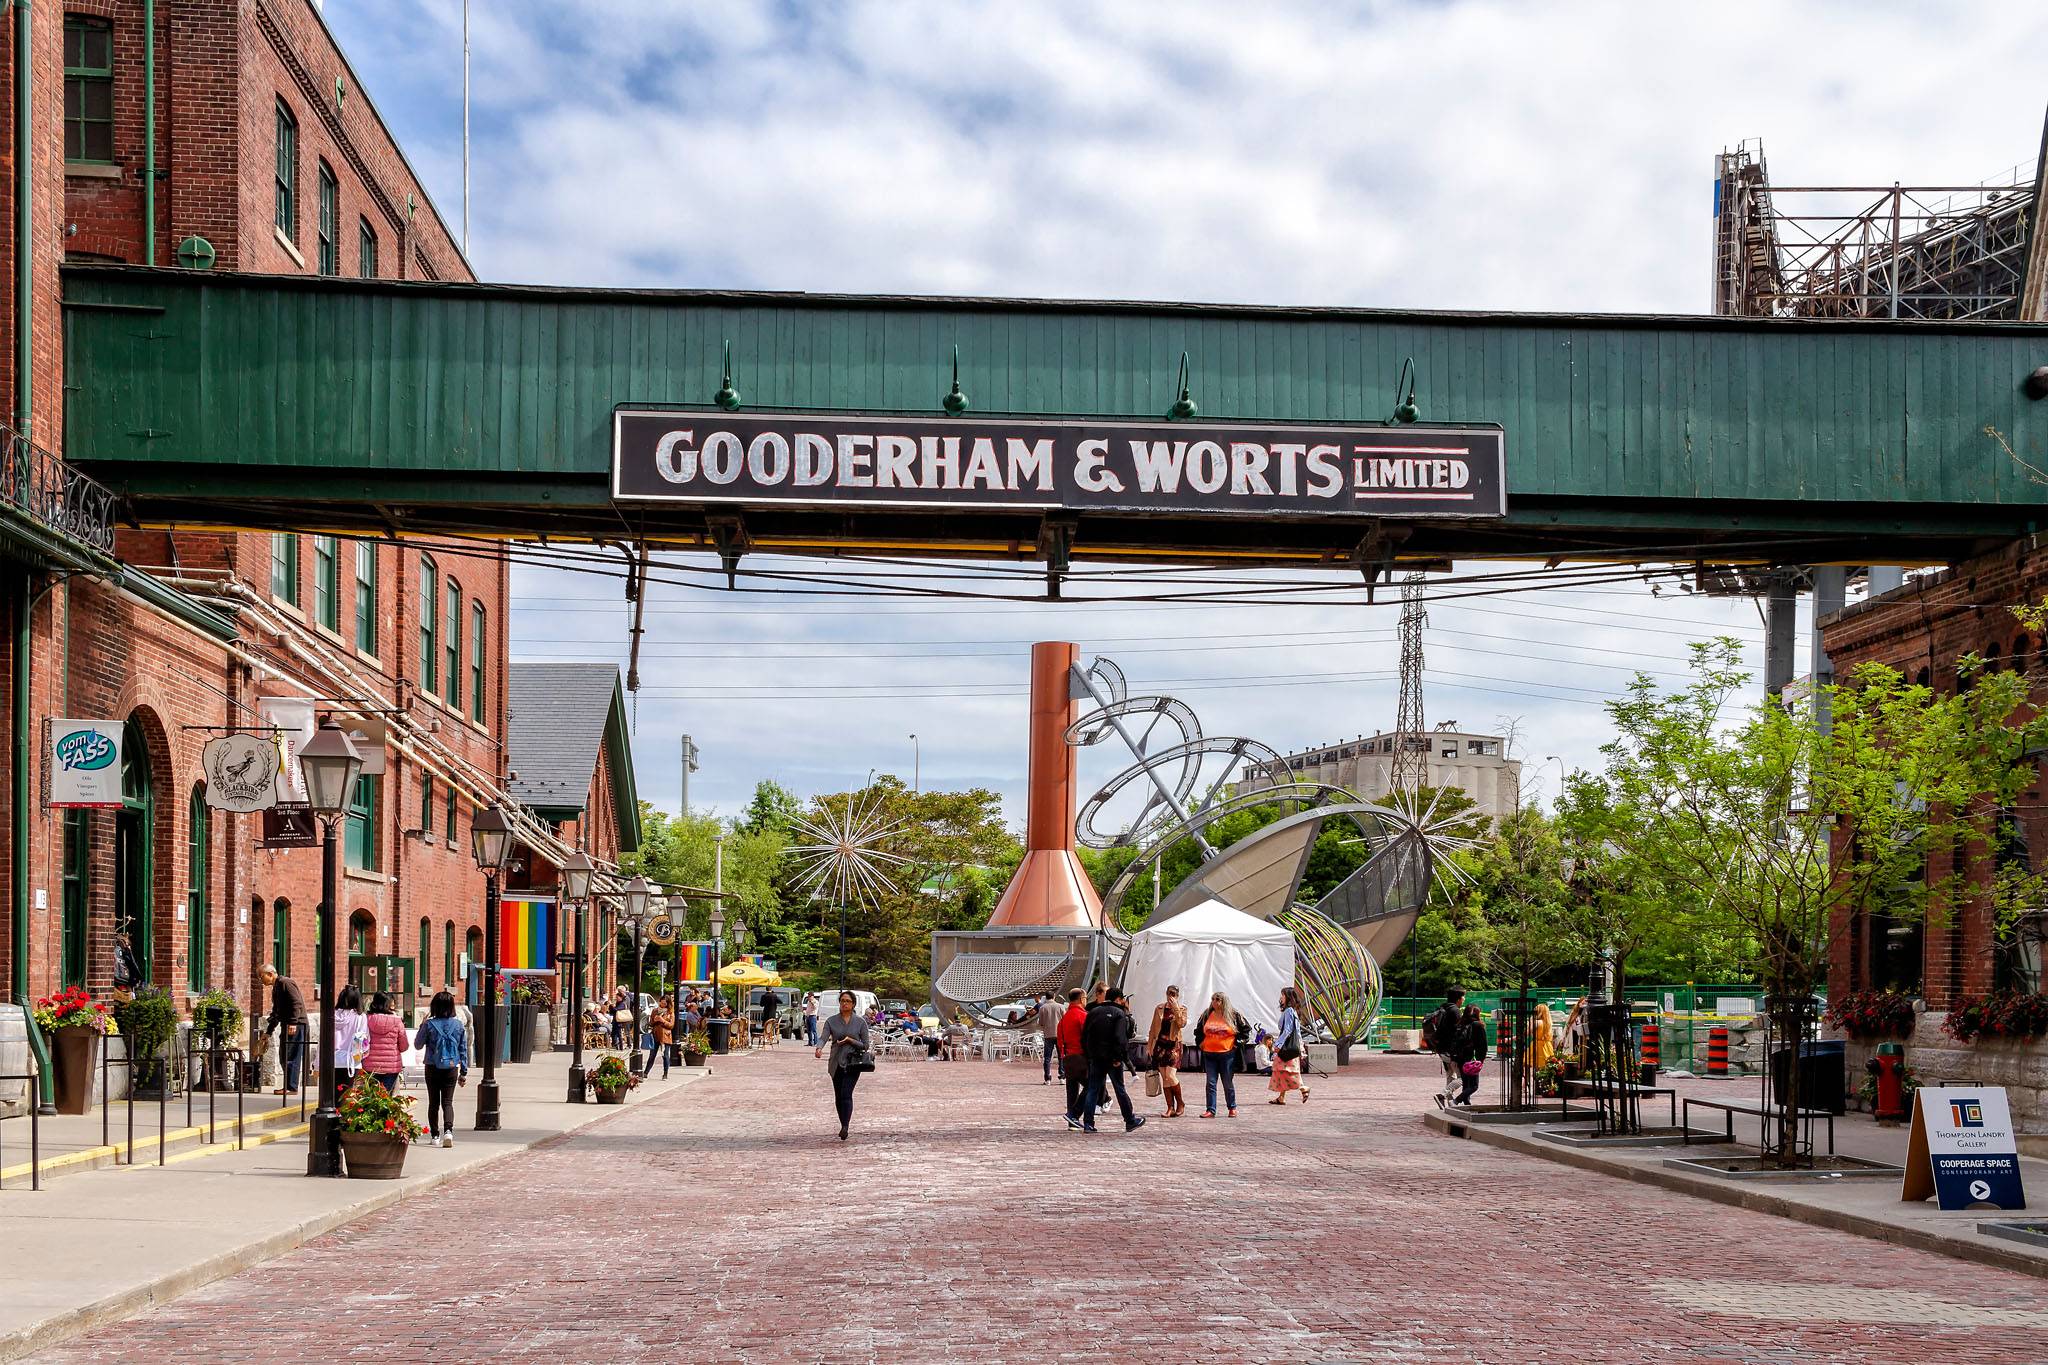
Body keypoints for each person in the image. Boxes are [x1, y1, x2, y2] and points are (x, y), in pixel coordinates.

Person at [1079, 986, 1145, 1134]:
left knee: (1093, 1089)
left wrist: (1089, 1054)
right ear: (1118, 999)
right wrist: (1117, 1057)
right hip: (1112, 1058)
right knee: (1119, 1089)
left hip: (1096, 1057)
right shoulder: (1119, 1014)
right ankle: (1129, 1119)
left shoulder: (1093, 1012)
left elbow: (1085, 1036)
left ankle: (1088, 1123)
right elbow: (1120, 1038)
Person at [412, 990, 469, 1148]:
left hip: (432, 1066)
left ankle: (435, 1135)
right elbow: (463, 1050)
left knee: (433, 1102)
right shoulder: (458, 1025)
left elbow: (418, 1045)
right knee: (448, 1102)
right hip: (451, 1067)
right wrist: (463, 1072)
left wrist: (423, 1025)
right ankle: (448, 1131)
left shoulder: (429, 1024)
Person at [816, 990, 870, 1141]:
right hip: (836, 1062)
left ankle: (845, 1126)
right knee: (839, 1096)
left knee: (846, 1093)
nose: (844, 1004)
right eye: (842, 1001)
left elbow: (865, 1045)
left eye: (847, 1001)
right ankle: (842, 1123)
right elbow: (824, 1037)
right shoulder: (831, 1021)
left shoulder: (860, 1022)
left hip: (853, 1063)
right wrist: (819, 1048)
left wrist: (850, 1041)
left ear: (853, 1004)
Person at [1192, 990, 1243, 1118]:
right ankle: (1211, 1109)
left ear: (1223, 1001)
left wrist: (1235, 1044)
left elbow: (1245, 1031)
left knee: (1227, 1082)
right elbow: (1198, 1030)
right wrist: (1200, 1043)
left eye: (1217, 1000)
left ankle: (1232, 1107)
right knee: (1211, 1082)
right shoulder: (1207, 1014)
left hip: (1227, 1054)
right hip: (1209, 1054)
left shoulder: (1233, 1015)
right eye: (1213, 999)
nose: (1214, 1002)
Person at [260, 963, 308, 1095]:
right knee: (284, 1054)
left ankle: (291, 1087)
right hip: (287, 1024)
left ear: (270, 974)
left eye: (261, 976)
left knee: (291, 1055)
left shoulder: (285, 982)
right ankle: (288, 1085)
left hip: (296, 1025)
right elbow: (277, 1012)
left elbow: (296, 1003)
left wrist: (293, 1022)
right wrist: (268, 1032)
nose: (261, 979)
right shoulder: (277, 987)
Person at [1146, 985, 1187, 1117]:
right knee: (1164, 1077)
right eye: (1169, 993)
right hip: (1160, 1045)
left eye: (1174, 994)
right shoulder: (1159, 1008)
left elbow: (1181, 1024)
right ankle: (1170, 1107)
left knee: (1171, 1075)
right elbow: (1153, 1027)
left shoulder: (1182, 1009)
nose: (1171, 996)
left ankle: (1180, 1103)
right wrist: (1149, 1046)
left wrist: (1175, 1008)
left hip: (1174, 1045)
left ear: (1178, 995)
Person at [1267, 985, 1311, 1105]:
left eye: (1282, 995)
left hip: (1286, 1047)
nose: (1281, 997)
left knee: (1285, 1070)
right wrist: (1301, 1047)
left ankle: (1303, 1087)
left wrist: (1279, 1045)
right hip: (1291, 1047)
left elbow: (1287, 1030)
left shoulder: (1289, 1011)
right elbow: (1296, 1031)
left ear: (1288, 997)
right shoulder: (1293, 1011)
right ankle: (1281, 1097)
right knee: (1284, 1071)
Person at [1425, 987, 1467, 1110]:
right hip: (1451, 1050)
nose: (1464, 999)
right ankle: (1442, 1095)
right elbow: (1458, 1032)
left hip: (1441, 1048)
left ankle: (1450, 1104)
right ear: (1458, 998)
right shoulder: (1454, 1011)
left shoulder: (1443, 1008)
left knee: (1450, 1076)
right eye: (1463, 996)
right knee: (1464, 1078)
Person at [1056, 987, 1090, 1128]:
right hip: (1080, 1057)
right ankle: (1074, 1114)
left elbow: (1059, 1040)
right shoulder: (1082, 1016)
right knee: (1092, 1086)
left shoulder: (1065, 1018)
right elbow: (1087, 1037)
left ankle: (1072, 1120)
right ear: (1081, 999)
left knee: (1072, 1090)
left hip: (1067, 1057)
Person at [363, 991, 407, 1093]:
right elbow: (404, 1046)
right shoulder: (397, 1021)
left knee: (371, 1097)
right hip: (391, 1066)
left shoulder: (366, 1019)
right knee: (385, 1097)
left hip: (369, 1064)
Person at [330, 984, 368, 1095]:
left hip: (332, 1060)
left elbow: (323, 1042)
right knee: (346, 1096)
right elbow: (362, 1040)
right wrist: (359, 1057)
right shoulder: (360, 1017)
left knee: (332, 1095)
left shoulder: (331, 1015)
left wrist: (317, 1064)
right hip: (351, 1061)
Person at [1455, 1003, 1488, 1105]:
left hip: (1460, 1057)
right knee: (1474, 1086)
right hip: (1472, 1059)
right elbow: (1483, 1045)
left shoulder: (1460, 1024)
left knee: (1466, 1083)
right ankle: (1456, 1100)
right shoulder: (1478, 1025)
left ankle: (1467, 1104)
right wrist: (1481, 1060)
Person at [1524, 1001, 1557, 1074]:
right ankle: (1542, 1083)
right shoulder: (1548, 1023)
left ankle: (1525, 1082)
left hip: (1537, 1045)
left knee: (1527, 1064)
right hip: (1547, 1046)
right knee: (1543, 1068)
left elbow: (1526, 1033)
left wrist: (1530, 1022)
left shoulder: (1537, 1022)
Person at [647, 1000, 675, 1078]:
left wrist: (662, 1021)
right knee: (652, 1055)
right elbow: (651, 1023)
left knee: (665, 1055)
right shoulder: (655, 1011)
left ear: (667, 1004)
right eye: (661, 1002)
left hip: (665, 1036)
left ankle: (665, 1073)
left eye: (664, 1003)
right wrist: (654, 1020)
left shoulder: (670, 1012)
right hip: (655, 1035)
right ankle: (646, 1072)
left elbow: (671, 1025)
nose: (662, 1004)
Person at [111, 930, 142, 999]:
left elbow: (132, 966)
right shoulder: (120, 951)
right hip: (120, 979)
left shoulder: (126, 952)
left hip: (124, 980)